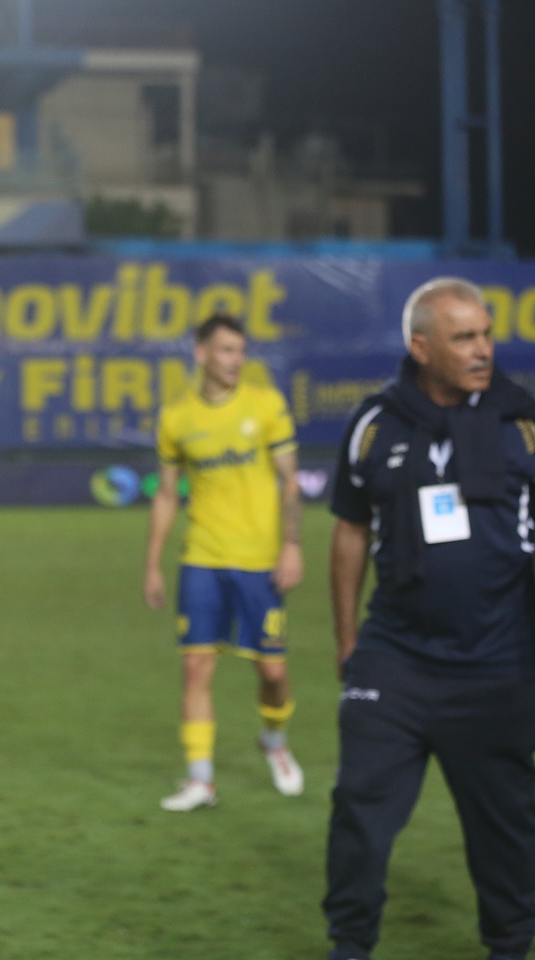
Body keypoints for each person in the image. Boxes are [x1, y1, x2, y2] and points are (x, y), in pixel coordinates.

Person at [323, 277, 535, 960]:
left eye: (486, 335)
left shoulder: (522, 424)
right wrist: (348, 640)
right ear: (420, 347)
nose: (483, 350)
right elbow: (350, 530)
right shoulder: (374, 424)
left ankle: (510, 947)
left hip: (497, 665)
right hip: (396, 659)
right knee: (359, 808)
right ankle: (349, 945)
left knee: (506, 827)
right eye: (463, 338)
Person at [143, 313, 305, 812]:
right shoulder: (177, 418)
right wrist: (153, 563)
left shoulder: (266, 405)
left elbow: (290, 482)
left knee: (272, 673)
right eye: (227, 350)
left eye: (241, 351)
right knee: (196, 666)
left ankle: (274, 741)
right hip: (202, 559)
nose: (237, 360)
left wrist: (292, 545)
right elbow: (166, 495)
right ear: (202, 353)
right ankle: (200, 780)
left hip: (259, 562)